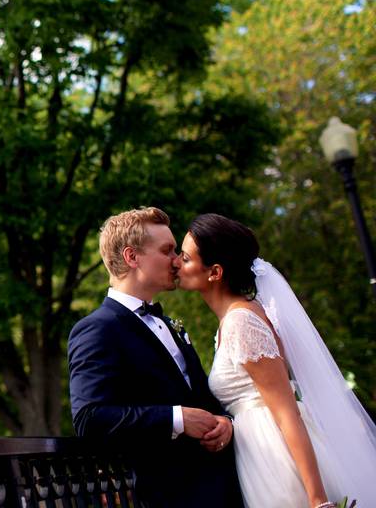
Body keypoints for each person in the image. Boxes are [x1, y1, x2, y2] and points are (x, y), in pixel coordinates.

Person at [177, 213, 376, 508]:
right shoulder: (235, 320)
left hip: (277, 458)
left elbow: (286, 412)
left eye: (185, 257)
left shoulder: (241, 322)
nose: (176, 263)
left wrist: (318, 500)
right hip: (257, 452)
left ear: (214, 272)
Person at [69, 207, 242, 508]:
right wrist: (176, 418)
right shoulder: (97, 329)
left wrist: (226, 423)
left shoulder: (170, 325)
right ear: (132, 257)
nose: (178, 260)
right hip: (170, 495)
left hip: (224, 488)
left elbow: (204, 400)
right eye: (167, 250)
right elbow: (90, 418)